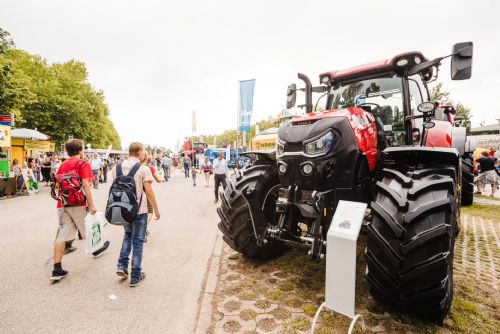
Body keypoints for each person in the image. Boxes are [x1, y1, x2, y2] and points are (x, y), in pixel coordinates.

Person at [50, 139, 110, 281]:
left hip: (63, 203)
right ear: (80, 150)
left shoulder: (63, 164)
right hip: (78, 203)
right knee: (89, 227)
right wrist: (91, 204)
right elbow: (86, 185)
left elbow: (58, 184)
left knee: (62, 234)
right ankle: (97, 249)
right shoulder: (83, 164)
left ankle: (57, 269)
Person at [114, 142, 160, 287]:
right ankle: (135, 275)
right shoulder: (143, 168)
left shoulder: (116, 167)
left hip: (122, 209)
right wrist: (156, 210)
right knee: (138, 242)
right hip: (139, 211)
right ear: (140, 152)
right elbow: (149, 192)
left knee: (127, 235)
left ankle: (121, 266)